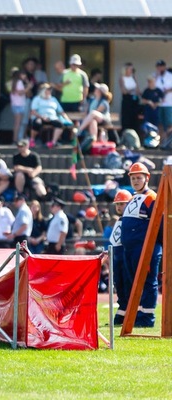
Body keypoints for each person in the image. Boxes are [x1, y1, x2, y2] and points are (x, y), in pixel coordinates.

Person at [120, 163, 161, 327]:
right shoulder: (132, 198)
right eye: (133, 178)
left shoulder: (152, 197)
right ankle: (137, 315)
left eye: (139, 178)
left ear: (147, 178)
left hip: (144, 248)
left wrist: (153, 247)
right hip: (130, 249)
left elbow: (159, 223)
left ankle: (147, 317)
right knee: (134, 282)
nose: (136, 181)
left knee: (148, 281)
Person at [108, 189, 132, 325]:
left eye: (122, 204)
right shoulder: (119, 220)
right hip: (117, 260)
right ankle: (121, 313)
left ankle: (129, 315)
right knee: (120, 286)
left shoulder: (129, 221)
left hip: (125, 259)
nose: (118, 207)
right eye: (117, 204)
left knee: (127, 286)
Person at [29, 83, 70, 148]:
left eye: (50, 90)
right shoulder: (37, 99)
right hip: (40, 117)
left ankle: (53, 142)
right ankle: (32, 140)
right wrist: (42, 117)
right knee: (37, 123)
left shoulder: (53, 99)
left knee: (60, 124)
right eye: (47, 90)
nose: (49, 91)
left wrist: (68, 120)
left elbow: (61, 111)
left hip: (52, 118)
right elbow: (33, 111)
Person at [119, 63, 140, 132]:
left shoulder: (133, 77)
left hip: (134, 100)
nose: (131, 70)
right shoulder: (122, 78)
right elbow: (124, 91)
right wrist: (131, 90)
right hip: (127, 100)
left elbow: (137, 90)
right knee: (126, 119)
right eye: (130, 69)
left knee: (134, 119)